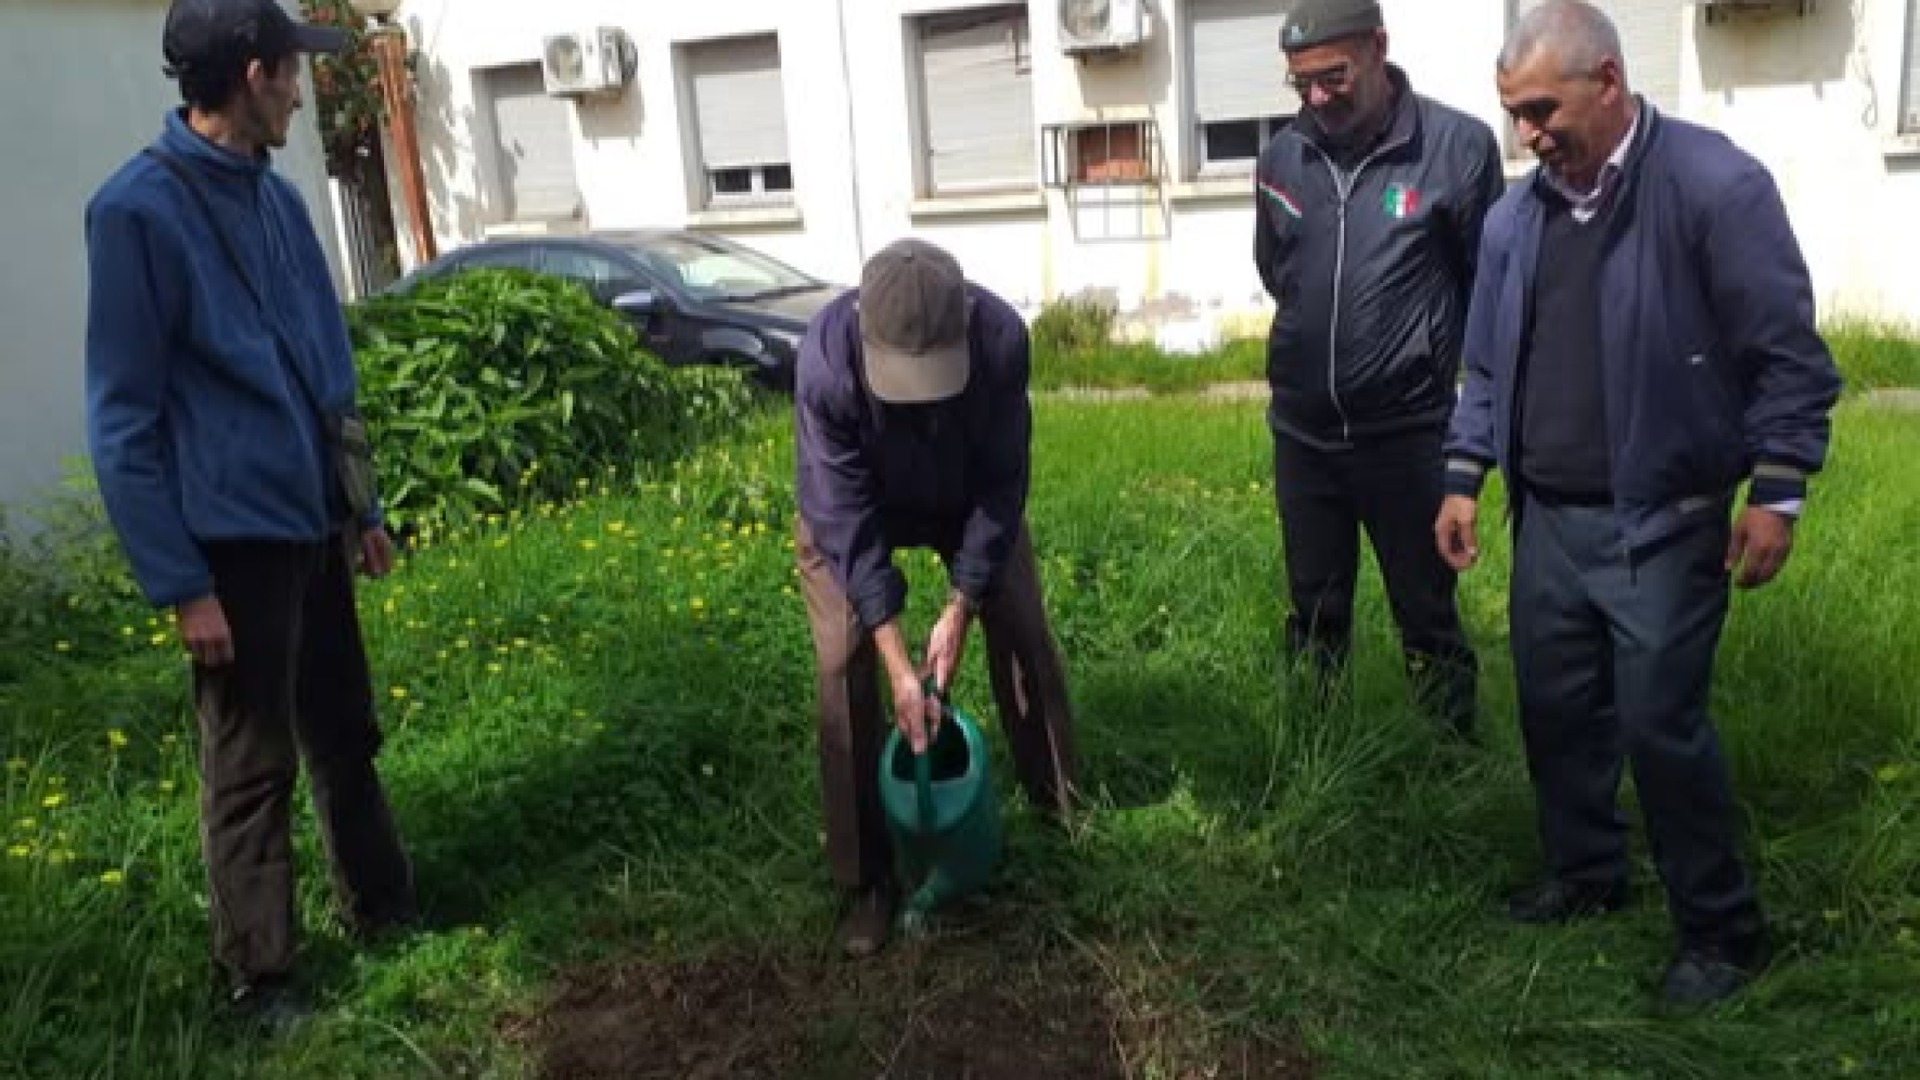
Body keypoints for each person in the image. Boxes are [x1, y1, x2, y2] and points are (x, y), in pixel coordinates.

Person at [1435, 1, 1842, 1007]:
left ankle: (1722, 931)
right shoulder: (1512, 222)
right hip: (1550, 523)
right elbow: (1484, 366)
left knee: (1661, 724)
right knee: (1556, 713)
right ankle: (1586, 875)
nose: (1526, 135)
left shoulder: (1713, 186)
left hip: (1663, 519)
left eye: (1540, 109)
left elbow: (1785, 356)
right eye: (1513, 114)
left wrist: (1778, 492)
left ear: (1608, 82)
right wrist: (1463, 474)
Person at [84, 0, 417, 1027]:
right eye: (291, 72)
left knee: (344, 734)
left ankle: (383, 907)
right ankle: (261, 978)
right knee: (248, 764)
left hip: (314, 518)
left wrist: (359, 504)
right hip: (231, 543)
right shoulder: (137, 212)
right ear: (250, 76)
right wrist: (182, 584)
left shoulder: (278, 202)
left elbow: (328, 364)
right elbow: (121, 416)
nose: (301, 91)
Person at [793, 238, 1078, 957]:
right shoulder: (826, 364)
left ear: (967, 322)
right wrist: (897, 664)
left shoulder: (1002, 341)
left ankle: (1062, 811)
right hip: (863, 507)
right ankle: (867, 880)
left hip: (963, 497)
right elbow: (847, 529)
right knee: (842, 661)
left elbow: (1001, 486)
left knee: (1023, 627)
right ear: (864, 331)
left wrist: (961, 605)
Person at [1254, 0, 1504, 735]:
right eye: (1300, 85)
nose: (1316, 99)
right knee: (1314, 606)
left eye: (1332, 78)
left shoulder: (1457, 148)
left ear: (1378, 49)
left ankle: (1451, 758)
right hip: (1303, 436)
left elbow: (1485, 287)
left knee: (1426, 611)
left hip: (1408, 437)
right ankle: (1316, 748)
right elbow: (1280, 271)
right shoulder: (1281, 158)